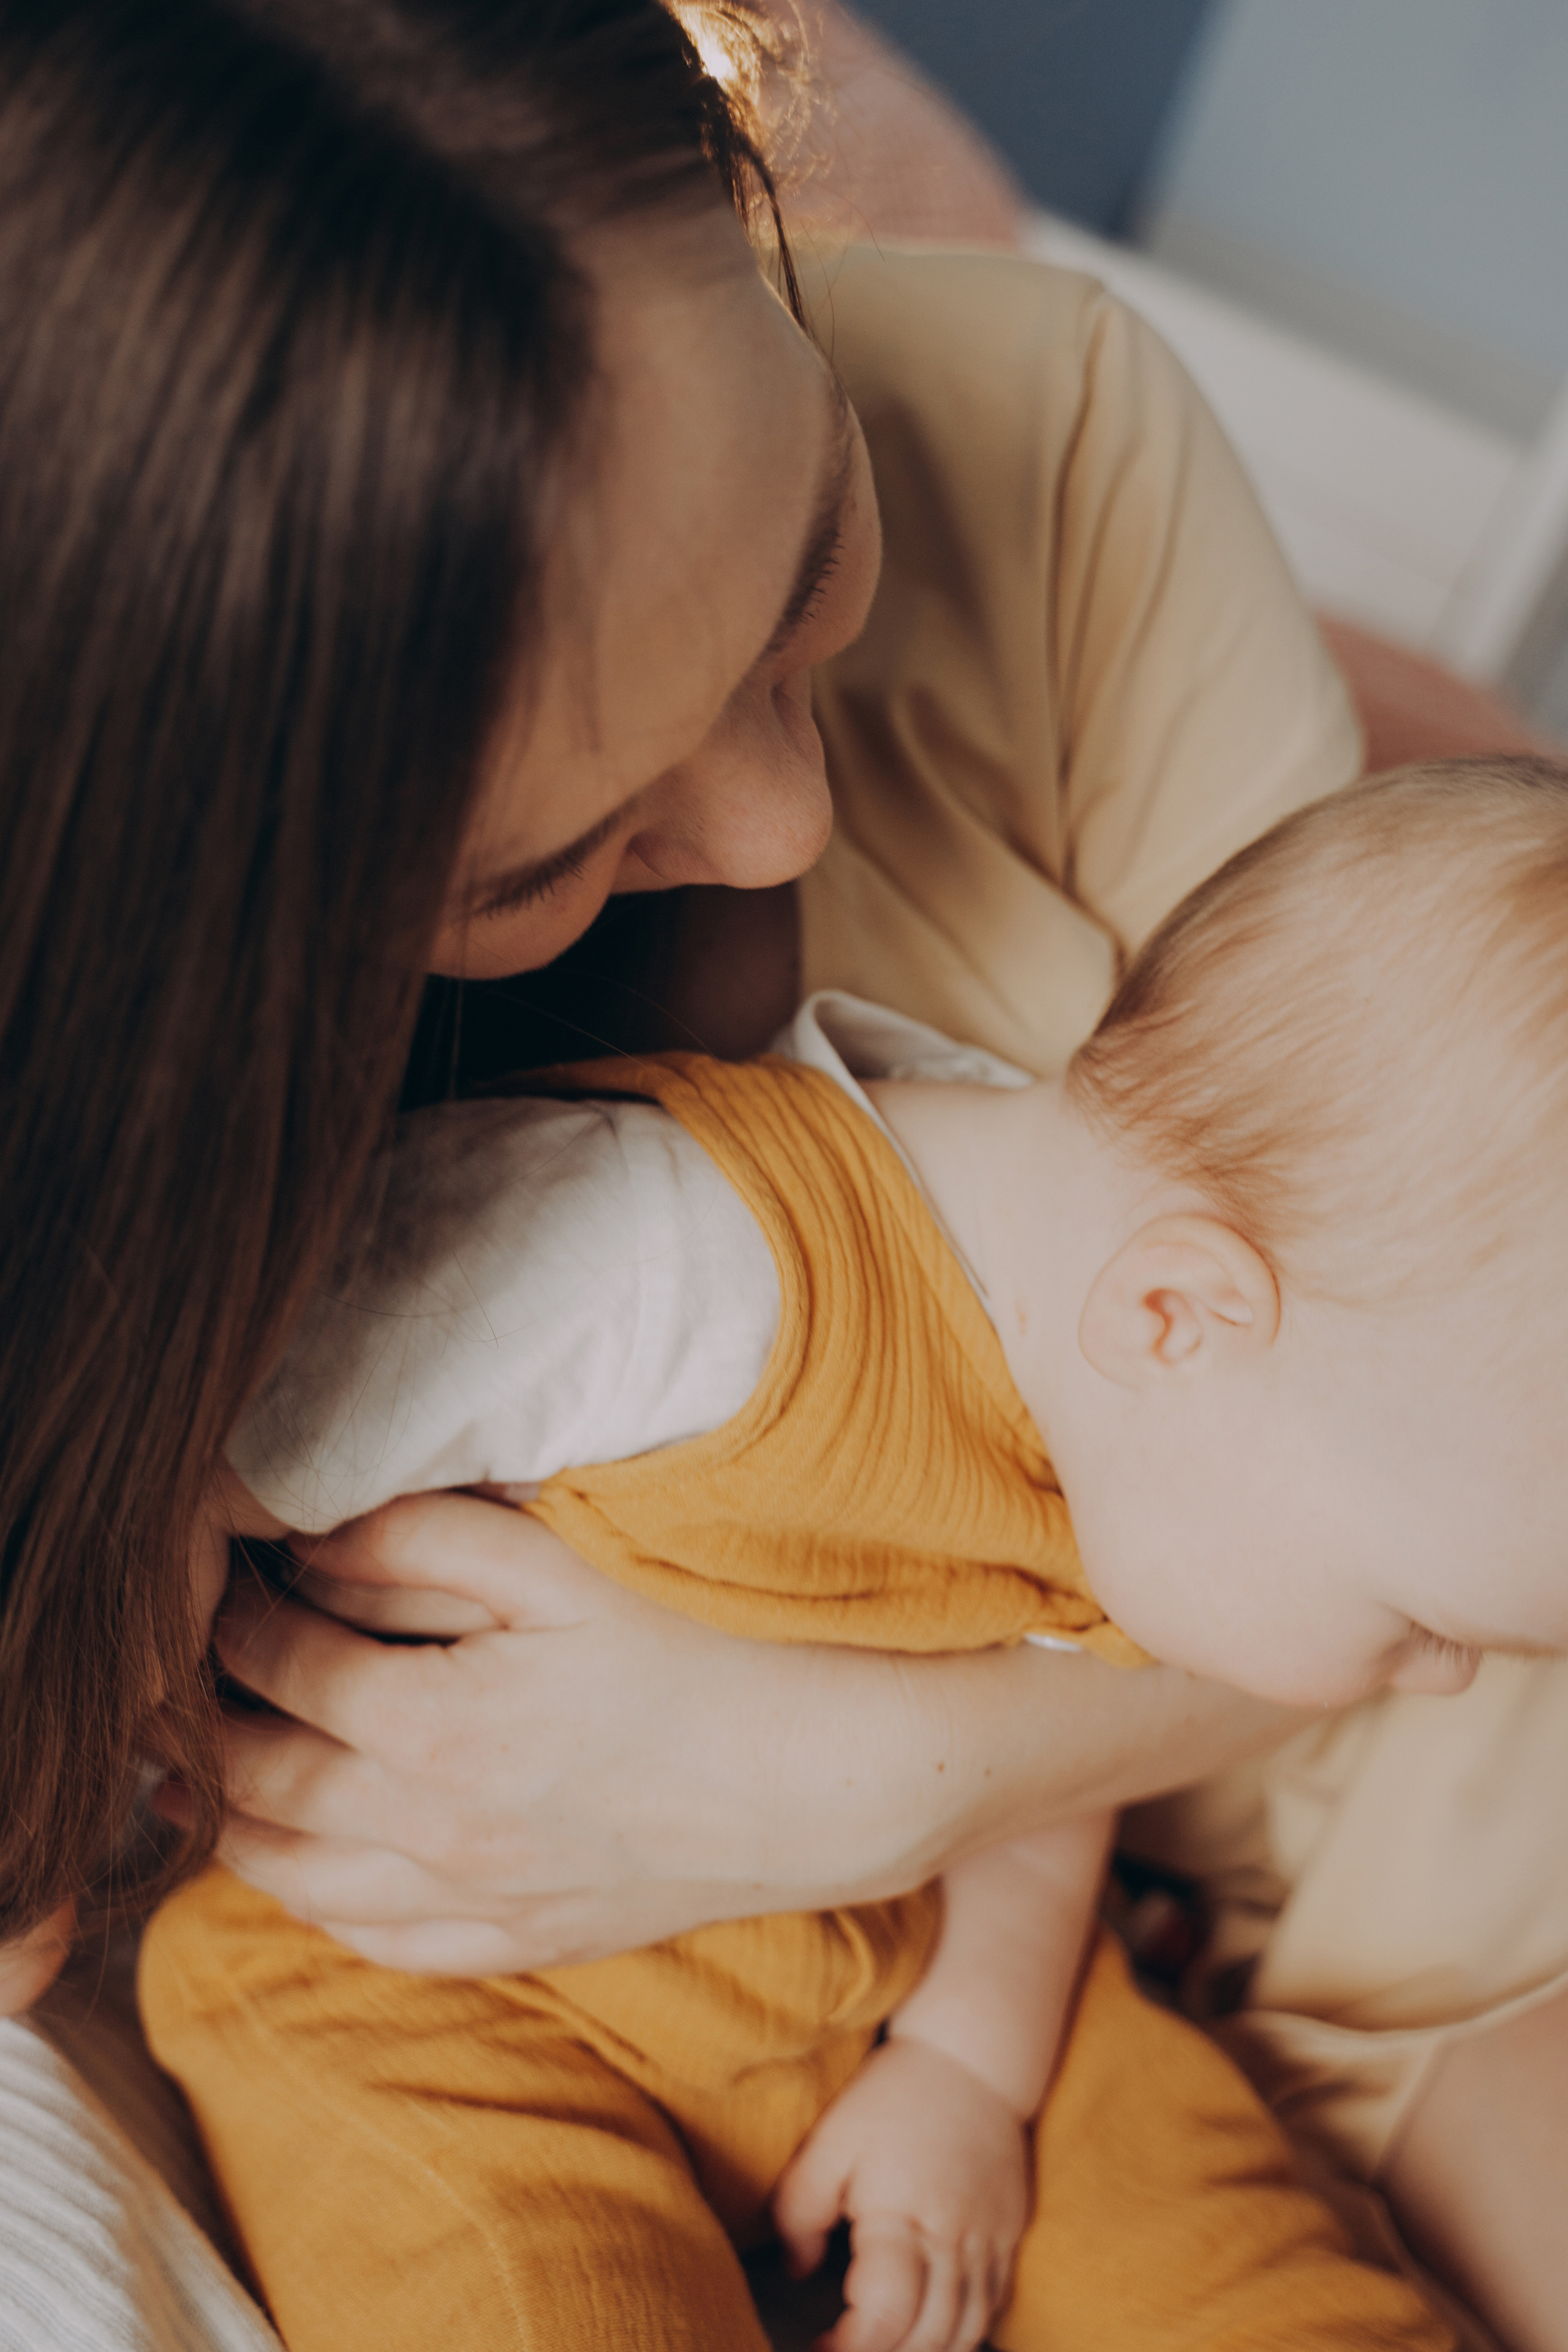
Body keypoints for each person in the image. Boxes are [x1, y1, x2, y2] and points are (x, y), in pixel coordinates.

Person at [1, 2, 1547, 2346]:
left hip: (1298, 1896)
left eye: (816, 545)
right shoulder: (358, 1234)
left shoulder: (1061, 445)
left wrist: (857, 1780)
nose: (784, 828)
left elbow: (1387, 1385)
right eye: (555, 856)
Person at [142, 753, 1568, 2352]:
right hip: (441, 1983)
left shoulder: (1140, 1440)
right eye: (1425, 1620)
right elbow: (187, 1437)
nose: (1437, 1685)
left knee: (1231, 2258)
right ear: (1182, 1318)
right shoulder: (691, 1258)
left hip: (903, 1986)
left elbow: (1040, 1782)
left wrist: (967, 2074)